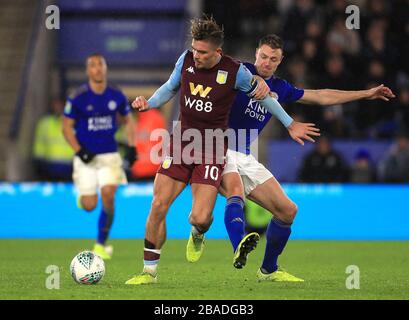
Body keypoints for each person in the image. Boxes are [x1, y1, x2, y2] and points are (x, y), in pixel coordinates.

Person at [125, 17, 318, 285]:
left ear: (217, 52)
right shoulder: (186, 60)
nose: (196, 56)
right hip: (182, 143)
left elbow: (266, 99)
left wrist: (289, 124)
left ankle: (199, 231)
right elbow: (170, 87)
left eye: (202, 52)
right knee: (158, 205)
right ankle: (148, 271)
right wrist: (150, 102)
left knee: (201, 218)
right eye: (194, 49)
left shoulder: (236, 72)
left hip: (214, 149)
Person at [211, 34, 394, 282]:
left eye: (272, 59)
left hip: (244, 155)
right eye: (263, 56)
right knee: (235, 194)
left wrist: (365, 94)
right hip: (217, 148)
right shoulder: (240, 72)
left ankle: (268, 270)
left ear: (280, 60)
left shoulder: (280, 88)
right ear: (256, 54)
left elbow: (321, 96)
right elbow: (215, 67)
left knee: (287, 211)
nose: (266, 62)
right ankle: (232, 244)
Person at [62, 53, 137, 260]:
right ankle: (83, 199)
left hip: (109, 155)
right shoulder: (78, 97)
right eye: (93, 66)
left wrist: (132, 147)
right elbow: (66, 127)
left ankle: (101, 244)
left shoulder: (116, 95)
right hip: (86, 157)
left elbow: (128, 121)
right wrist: (79, 150)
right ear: (87, 71)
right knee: (89, 205)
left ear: (105, 68)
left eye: (100, 65)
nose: (97, 69)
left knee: (109, 194)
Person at [33, 98, 74, 181]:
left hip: (68, 166)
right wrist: (38, 162)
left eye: (59, 105)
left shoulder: (71, 122)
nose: (57, 108)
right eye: (55, 105)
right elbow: (39, 143)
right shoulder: (45, 123)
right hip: (49, 166)